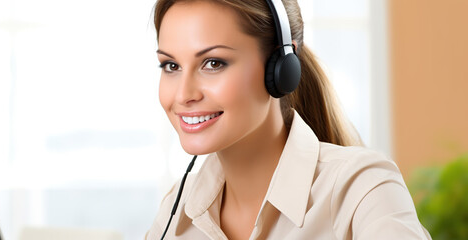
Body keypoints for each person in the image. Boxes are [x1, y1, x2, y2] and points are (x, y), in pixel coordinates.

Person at [145, 0, 432, 239]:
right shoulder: (177, 210)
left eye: (213, 63)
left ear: (281, 67)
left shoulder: (362, 191)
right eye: (171, 66)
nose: (183, 94)